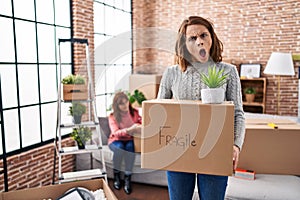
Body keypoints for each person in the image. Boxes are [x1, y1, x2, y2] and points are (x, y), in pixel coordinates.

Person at [157, 16, 245, 200]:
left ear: (212, 38)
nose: (199, 41)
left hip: (215, 149)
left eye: (204, 35)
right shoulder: (171, 73)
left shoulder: (228, 71)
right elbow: (159, 111)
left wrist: (236, 145)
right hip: (179, 150)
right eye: (192, 38)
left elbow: (237, 113)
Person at [108, 91, 142, 194]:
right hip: (115, 140)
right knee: (119, 148)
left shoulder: (134, 112)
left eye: (126, 101)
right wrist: (129, 129)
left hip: (130, 139)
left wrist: (139, 126)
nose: (125, 105)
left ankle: (127, 178)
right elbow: (115, 133)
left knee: (130, 148)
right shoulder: (113, 116)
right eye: (121, 103)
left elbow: (140, 123)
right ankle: (116, 175)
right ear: (117, 106)